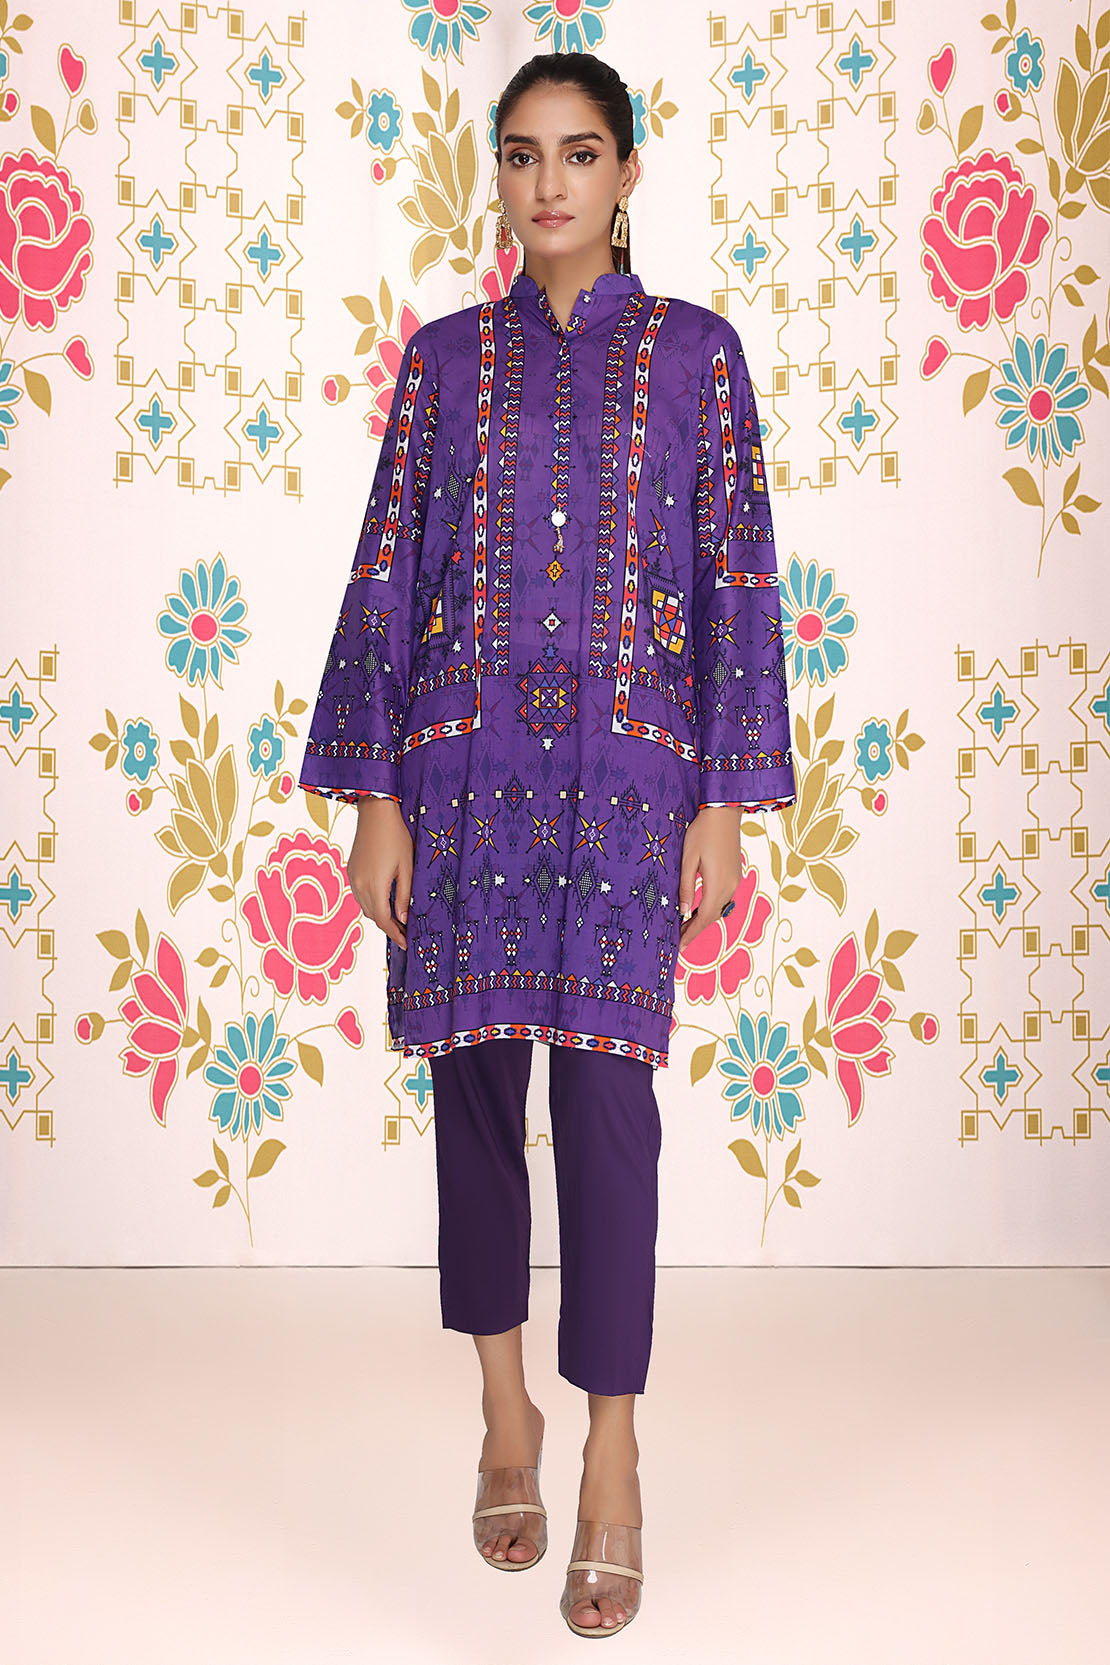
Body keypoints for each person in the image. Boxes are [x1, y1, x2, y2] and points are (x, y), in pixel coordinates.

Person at [298, 51, 797, 1638]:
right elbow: (389, 572)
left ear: (627, 172)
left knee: (605, 1115)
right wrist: (374, 795)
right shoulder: (444, 363)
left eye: (579, 154)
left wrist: (722, 798)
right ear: (497, 176)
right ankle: (502, 1410)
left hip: (633, 783)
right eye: (520, 155)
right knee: (472, 1106)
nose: (548, 184)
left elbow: (736, 576)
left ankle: (612, 1451)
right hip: (457, 775)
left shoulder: (697, 358)